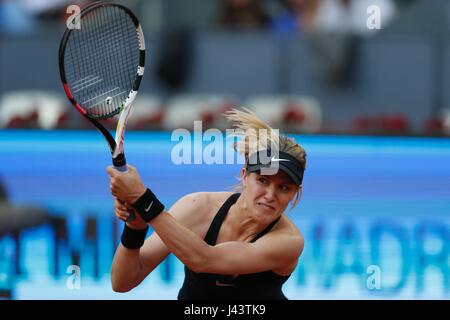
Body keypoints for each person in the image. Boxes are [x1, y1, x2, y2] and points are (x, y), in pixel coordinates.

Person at [107, 108, 307, 300]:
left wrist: (143, 200)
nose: (270, 195)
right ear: (245, 176)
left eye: (284, 188)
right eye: (263, 181)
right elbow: (122, 283)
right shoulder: (197, 206)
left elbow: (204, 260)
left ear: (295, 193)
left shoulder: (289, 242)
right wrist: (135, 226)